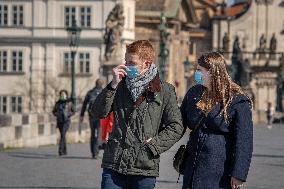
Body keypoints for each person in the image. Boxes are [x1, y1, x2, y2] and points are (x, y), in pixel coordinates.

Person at [89, 40, 184, 189]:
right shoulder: (118, 85)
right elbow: (97, 112)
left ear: (146, 64)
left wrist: (154, 145)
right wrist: (112, 85)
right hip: (114, 164)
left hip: (144, 166)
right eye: (126, 61)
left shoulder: (165, 91)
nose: (126, 66)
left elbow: (176, 126)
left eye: (131, 62)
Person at [180, 52, 253, 189]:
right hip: (194, 165)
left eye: (199, 70)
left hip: (220, 168)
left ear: (212, 72)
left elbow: (244, 140)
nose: (196, 74)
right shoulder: (194, 93)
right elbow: (178, 123)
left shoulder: (237, 100)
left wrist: (238, 174)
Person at [80, 79, 104, 159]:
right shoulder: (104, 92)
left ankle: (93, 152)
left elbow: (84, 104)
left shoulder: (90, 92)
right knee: (98, 134)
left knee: (93, 134)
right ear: (102, 84)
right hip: (101, 117)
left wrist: (82, 115)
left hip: (92, 116)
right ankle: (96, 152)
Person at [52, 90, 74, 156]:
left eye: (64, 94)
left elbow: (73, 111)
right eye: (61, 94)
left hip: (66, 121)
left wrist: (68, 114)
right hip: (59, 121)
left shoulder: (69, 103)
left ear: (66, 95)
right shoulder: (57, 103)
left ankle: (60, 150)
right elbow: (53, 111)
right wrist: (57, 114)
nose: (62, 95)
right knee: (63, 135)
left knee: (62, 134)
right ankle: (65, 150)